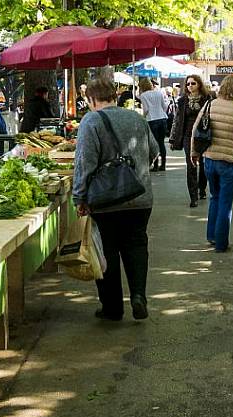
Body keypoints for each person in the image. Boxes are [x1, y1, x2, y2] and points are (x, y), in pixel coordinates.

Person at [73, 78, 158, 321]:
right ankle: (139, 296)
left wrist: (79, 196)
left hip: (105, 199)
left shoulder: (91, 121)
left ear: (91, 99)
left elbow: (85, 162)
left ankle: (112, 307)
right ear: (114, 95)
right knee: (137, 245)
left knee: (106, 251)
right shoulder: (136, 118)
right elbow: (153, 151)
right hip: (140, 196)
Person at [190, 75, 233, 253]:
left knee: (214, 198)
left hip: (209, 159)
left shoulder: (211, 104)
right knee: (225, 202)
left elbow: (196, 128)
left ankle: (212, 236)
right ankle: (222, 243)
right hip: (229, 162)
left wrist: (195, 152)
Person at [170, 74, 213, 206]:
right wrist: (173, 138)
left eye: (193, 83)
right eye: (188, 84)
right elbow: (177, 120)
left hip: (203, 136)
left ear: (199, 84)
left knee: (204, 164)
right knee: (191, 165)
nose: (190, 86)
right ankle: (193, 196)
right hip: (188, 136)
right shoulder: (183, 101)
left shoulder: (207, 99)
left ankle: (202, 188)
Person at [139, 78, 169, 172]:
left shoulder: (143, 95)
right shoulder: (159, 93)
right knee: (161, 143)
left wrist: (143, 117)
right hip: (162, 119)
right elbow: (164, 106)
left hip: (151, 120)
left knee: (153, 144)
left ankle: (155, 166)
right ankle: (163, 164)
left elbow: (146, 109)